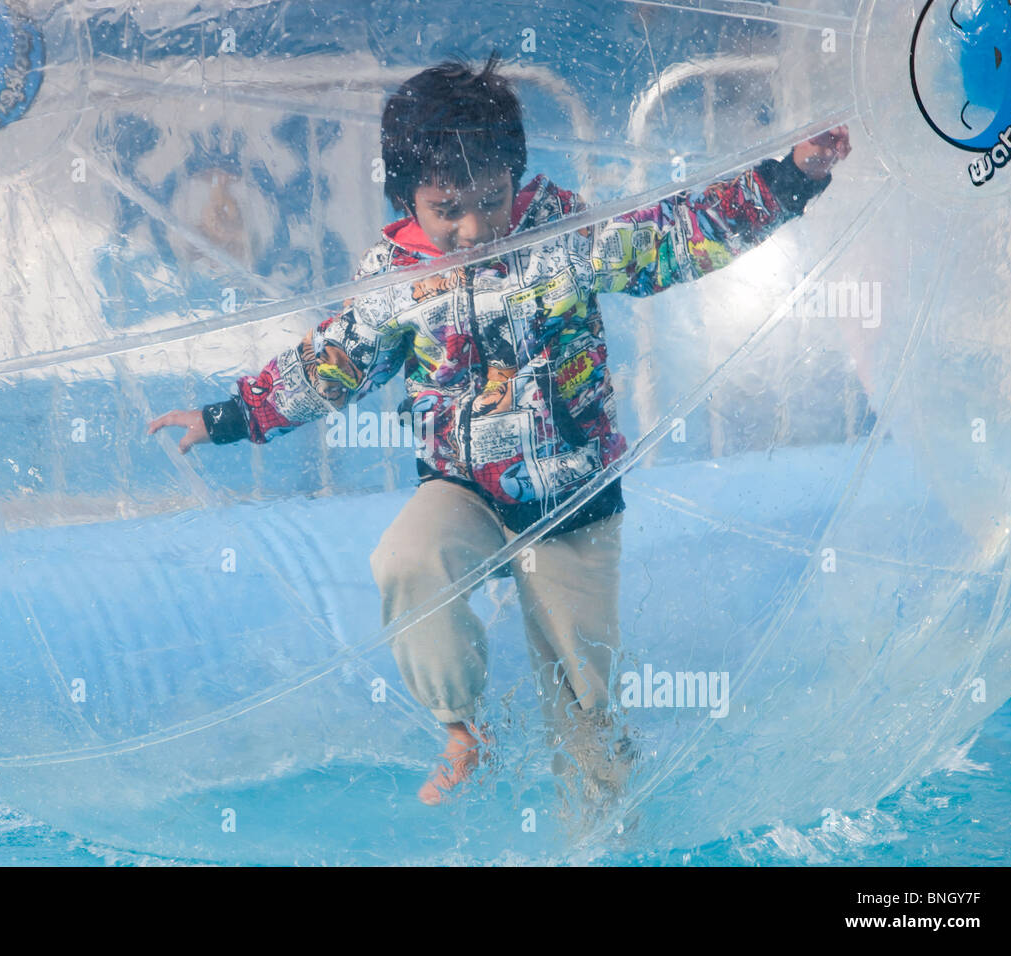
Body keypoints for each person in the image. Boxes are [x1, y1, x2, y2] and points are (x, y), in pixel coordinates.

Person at [148, 53, 850, 806]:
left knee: (583, 701)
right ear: (407, 201)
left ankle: (599, 827)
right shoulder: (395, 280)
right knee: (407, 559)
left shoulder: (566, 235)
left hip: (572, 497)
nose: (476, 227)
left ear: (518, 176)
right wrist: (229, 416)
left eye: (492, 199)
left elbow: (677, 236)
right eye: (449, 210)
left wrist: (790, 178)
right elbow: (331, 365)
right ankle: (459, 725)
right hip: (466, 487)